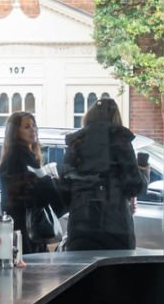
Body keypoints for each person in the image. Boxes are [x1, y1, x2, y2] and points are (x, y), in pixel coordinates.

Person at [58, 96, 147, 251]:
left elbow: (65, 187)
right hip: (116, 225)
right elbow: (134, 187)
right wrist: (144, 171)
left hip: (81, 224)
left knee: (83, 273)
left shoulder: (76, 143)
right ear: (116, 117)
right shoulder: (120, 141)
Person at [0, 111, 64, 255]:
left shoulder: (13, 156)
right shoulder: (21, 157)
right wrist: (53, 180)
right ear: (15, 132)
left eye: (34, 126)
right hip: (26, 230)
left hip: (20, 228)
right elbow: (43, 190)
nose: (33, 130)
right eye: (27, 127)